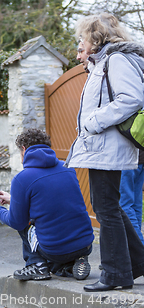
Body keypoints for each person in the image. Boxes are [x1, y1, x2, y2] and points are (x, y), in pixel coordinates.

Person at [65, 13, 144, 292]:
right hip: (102, 146)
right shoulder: (104, 62)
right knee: (110, 206)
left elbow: (132, 98)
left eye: (82, 38)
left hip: (107, 146)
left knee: (105, 208)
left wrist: (93, 121)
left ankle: (115, 274)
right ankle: (135, 263)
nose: (80, 44)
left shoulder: (116, 60)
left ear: (95, 36)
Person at [0, 128, 94, 281]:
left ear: (24, 149)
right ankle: (73, 262)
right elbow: (52, 201)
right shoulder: (67, 168)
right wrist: (13, 199)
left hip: (55, 250)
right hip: (86, 245)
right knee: (55, 240)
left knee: (25, 222)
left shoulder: (22, 178)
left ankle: (36, 265)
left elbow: (16, 221)